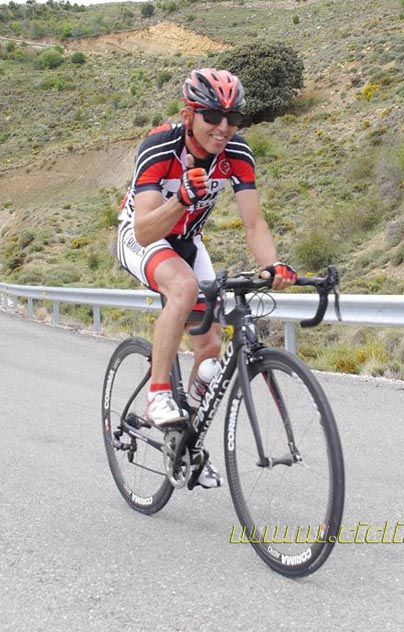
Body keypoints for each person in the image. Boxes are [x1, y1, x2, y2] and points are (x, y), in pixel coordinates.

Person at [116, 67, 297, 489]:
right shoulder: (161, 147)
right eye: (214, 116)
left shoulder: (237, 153)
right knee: (183, 287)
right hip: (143, 236)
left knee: (211, 354)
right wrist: (182, 198)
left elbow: (254, 223)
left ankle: (186, 443)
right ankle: (158, 393)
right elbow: (144, 230)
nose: (224, 127)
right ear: (189, 115)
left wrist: (274, 264)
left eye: (234, 119)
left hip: (189, 242)